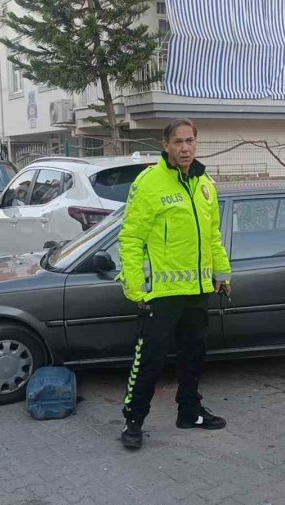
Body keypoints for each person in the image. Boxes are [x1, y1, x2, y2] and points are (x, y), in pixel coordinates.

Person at [117, 118, 232, 450]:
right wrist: (136, 287)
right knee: (149, 361)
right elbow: (131, 238)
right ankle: (133, 421)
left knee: (193, 356)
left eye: (191, 141)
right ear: (165, 145)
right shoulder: (149, 183)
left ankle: (190, 412)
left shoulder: (205, 185)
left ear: (197, 143)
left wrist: (222, 276)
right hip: (162, 294)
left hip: (197, 290)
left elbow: (212, 237)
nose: (185, 148)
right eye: (178, 142)